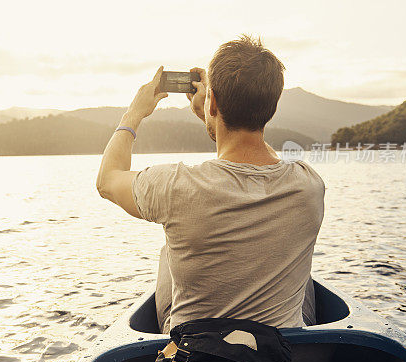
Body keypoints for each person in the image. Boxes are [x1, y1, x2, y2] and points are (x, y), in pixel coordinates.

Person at [96, 34, 325, 334]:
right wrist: (213, 115)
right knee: (301, 275)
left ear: (212, 101)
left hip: (195, 360)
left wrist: (134, 113)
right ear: (271, 106)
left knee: (169, 253)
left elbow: (107, 180)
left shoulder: (175, 186)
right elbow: (258, 160)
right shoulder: (309, 186)